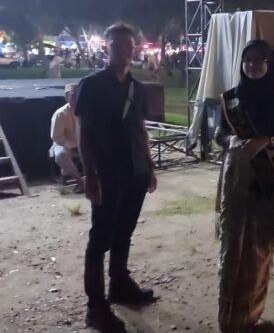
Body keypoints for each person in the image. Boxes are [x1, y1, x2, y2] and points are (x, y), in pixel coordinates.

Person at [75, 23, 158, 333]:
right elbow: (83, 132)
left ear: (134, 49)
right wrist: (89, 174)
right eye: (116, 45)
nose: (123, 50)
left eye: (128, 45)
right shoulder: (92, 85)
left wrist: (149, 165)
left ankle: (120, 283)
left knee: (124, 231)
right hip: (107, 172)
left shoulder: (137, 87)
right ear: (107, 48)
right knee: (100, 238)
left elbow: (141, 128)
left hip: (135, 171)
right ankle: (95, 306)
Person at [215, 40, 274, 332]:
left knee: (259, 248)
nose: (252, 65)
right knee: (232, 245)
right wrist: (231, 140)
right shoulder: (231, 98)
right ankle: (229, 317)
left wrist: (268, 140)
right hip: (236, 176)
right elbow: (219, 133)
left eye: (258, 60)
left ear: (269, 64)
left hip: (269, 176)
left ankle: (251, 314)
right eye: (247, 60)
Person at [49, 83, 83, 193]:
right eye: (73, 95)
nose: (76, 98)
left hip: (83, 144)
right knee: (61, 155)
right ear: (66, 97)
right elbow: (56, 136)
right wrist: (73, 146)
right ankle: (80, 182)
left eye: (78, 95)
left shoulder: (87, 111)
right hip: (64, 144)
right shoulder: (61, 114)